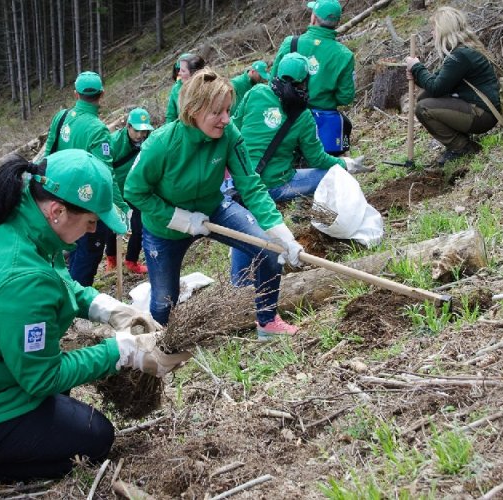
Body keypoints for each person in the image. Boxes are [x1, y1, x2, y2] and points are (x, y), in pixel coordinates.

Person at [0, 149, 190, 494]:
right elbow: (42, 377)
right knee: (96, 439)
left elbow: (55, 275)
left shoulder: (11, 218)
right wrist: (122, 351)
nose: (93, 231)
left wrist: (104, 306)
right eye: (91, 221)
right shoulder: (19, 279)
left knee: (63, 404)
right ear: (58, 211)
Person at [124, 68, 305, 340]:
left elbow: (251, 185)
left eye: (228, 110)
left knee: (270, 250)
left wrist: (279, 230)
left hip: (213, 208)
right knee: (164, 302)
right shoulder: (161, 144)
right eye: (217, 112)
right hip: (165, 228)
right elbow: (134, 191)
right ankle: (157, 346)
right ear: (194, 111)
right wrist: (179, 218)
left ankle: (267, 322)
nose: (225, 119)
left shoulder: (229, 134)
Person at [227, 53, 367, 286]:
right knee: (328, 175)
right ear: (304, 82)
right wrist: (346, 163)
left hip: (242, 182)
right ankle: (325, 224)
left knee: (247, 221)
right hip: (277, 184)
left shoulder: (255, 93)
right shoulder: (303, 116)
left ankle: (238, 284)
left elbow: (235, 129)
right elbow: (317, 158)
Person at [33, 71, 128, 287]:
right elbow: (106, 174)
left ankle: (63, 288)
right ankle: (76, 304)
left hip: (58, 197)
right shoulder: (98, 130)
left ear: (76, 94)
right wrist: (121, 207)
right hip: (87, 202)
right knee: (87, 256)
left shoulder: (62, 117)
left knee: (66, 248)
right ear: (101, 95)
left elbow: (48, 153)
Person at [405, 6, 499, 165]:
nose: (432, 33)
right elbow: (437, 83)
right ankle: (461, 142)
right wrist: (416, 72)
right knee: (425, 97)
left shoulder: (460, 56)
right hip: (480, 109)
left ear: (444, 29)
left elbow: (437, 87)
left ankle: (462, 147)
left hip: (483, 115)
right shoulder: (461, 52)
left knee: (424, 108)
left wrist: (416, 67)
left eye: (434, 28)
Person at [271, 0, 355, 154]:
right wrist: (323, 98)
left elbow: (273, 81)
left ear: (314, 17)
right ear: (337, 21)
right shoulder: (344, 55)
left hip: (288, 121)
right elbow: (346, 97)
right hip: (323, 126)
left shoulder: (291, 44)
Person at [104, 107, 155, 274]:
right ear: (128, 127)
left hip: (134, 190)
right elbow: (104, 166)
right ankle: (111, 258)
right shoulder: (113, 142)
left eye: (144, 131)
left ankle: (131, 261)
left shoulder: (149, 143)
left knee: (139, 226)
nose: (141, 135)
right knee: (113, 226)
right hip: (114, 191)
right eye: (137, 130)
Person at [165, 54, 207, 123]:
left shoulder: (209, 88)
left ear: (194, 73)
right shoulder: (176, 89)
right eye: (178, 70)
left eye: (183, 70)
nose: (179, 73)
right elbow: (171, 116)